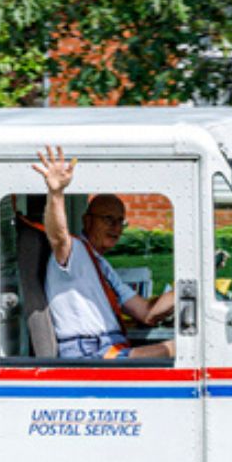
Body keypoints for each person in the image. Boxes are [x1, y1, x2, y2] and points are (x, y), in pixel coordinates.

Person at [30, 145, 175, 359]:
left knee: (188, 346)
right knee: (185, 351)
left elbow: (147, 313)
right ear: (87, 221)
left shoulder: (100, 263)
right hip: (89, 352)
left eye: (120, 222)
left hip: (110, 347)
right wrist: (56, 192)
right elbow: (58, 237)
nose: (116, 227)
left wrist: (190, 288)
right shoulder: (75, 251)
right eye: (108, 219)